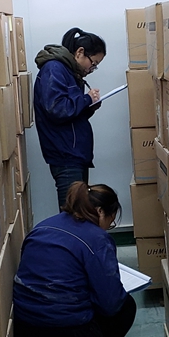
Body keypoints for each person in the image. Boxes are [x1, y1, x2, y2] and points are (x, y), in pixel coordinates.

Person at [13, 181, 137, 337]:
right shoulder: (96, 239)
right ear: (100, 212)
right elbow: (110, 303)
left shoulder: (42, 227)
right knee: (125, 306)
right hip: (65, 329)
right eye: (111, 220)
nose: (108, 226)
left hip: (24, 326)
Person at [34, 27, 106, 209]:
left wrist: (89, 107)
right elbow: (57, 109)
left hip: (75, 155)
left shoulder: (69, 71)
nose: (92, 69)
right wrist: (86, 99)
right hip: (65, 156)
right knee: (73, 214)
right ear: (80, 52)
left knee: (80, 210)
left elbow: (71, 114)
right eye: (93, 63)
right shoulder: (54, 69)